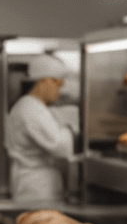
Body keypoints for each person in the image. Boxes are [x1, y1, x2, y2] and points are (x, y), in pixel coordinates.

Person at [5, 53, 75, 203]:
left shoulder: (31, 106)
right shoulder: (31, 108)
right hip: (37, 190)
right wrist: (72, 127)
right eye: (58, 84)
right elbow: (59, 146)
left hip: (35, 187)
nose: (59, 90)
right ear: (44, 81)